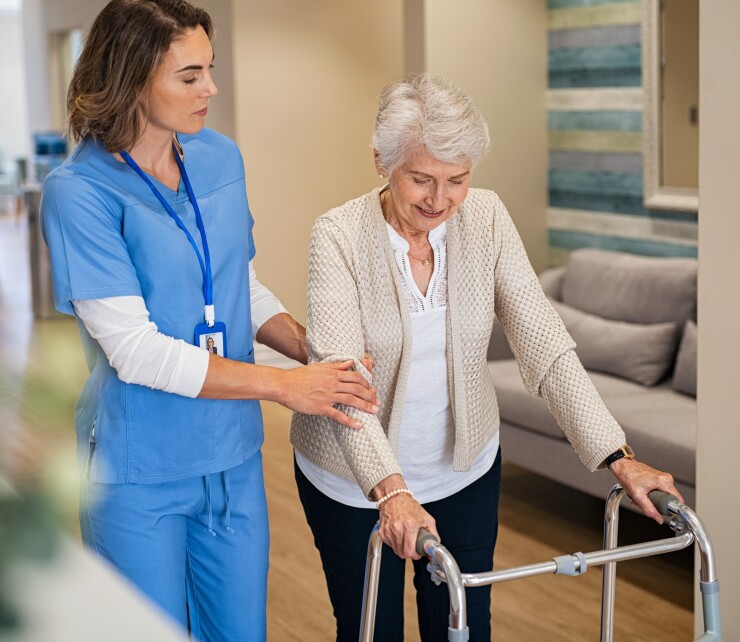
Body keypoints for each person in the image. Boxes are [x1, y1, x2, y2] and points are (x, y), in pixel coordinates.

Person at [290, 73, 682, 642]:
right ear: (381, 162)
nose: (439, 200)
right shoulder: (338, 236)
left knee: (465, 628)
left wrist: (618, 457)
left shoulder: (488, 219)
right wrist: (392, 490)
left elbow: (544, 343)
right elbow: (345, 382)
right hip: (353, 481)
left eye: (458, 180)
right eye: (421, 179)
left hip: (463, 470)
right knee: (371, 630)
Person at [40, 1, 379, 640]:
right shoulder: (78, 193)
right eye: (189, 76)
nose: (211, 90)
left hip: (231, 458)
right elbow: (136, 351)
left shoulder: (219, 157)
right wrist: (285, 386)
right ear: (132, 78)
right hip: (139, 470)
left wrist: (309, 350)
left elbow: (234, 284)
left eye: (210, 69)